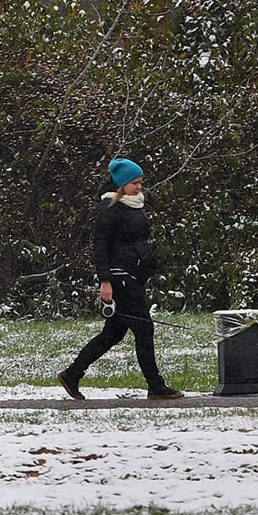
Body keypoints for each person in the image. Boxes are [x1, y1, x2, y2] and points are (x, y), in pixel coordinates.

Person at [57, 158, 183, 400]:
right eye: (134, 183)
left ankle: (72, 374)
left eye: (140, 182)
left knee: (113, 334)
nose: (139, 187)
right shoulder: (109, 210)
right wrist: (105, 281)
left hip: (134, 277)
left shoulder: (133, 205)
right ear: (122, 184)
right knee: (144, 329)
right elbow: (100, 246)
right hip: (120, 278)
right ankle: (155, 385)